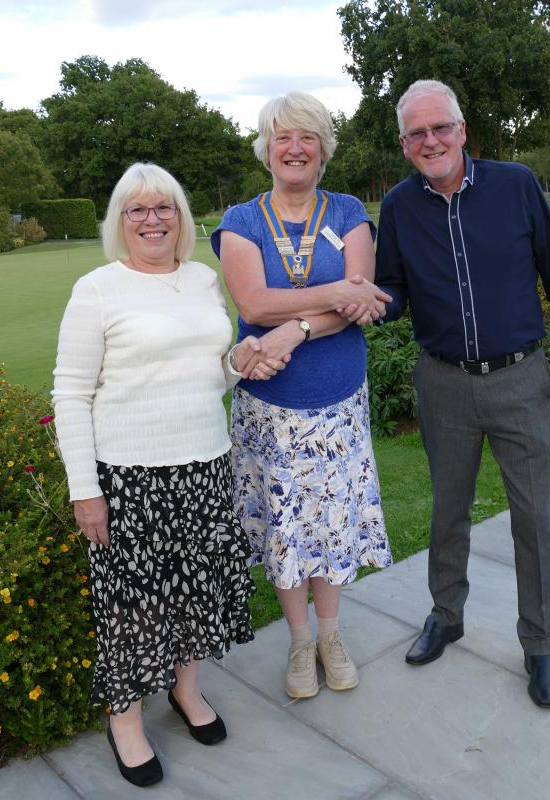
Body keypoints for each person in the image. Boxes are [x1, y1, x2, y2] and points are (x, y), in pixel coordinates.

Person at [52, 162, 287, 787]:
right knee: (132, 604)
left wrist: (240, 360)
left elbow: (211, 369)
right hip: (128, 475)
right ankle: (125, 718)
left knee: (195, 589)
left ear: (180, 217)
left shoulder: (203, 281)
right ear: (120, 221)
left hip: (206, 464)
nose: (153, 220)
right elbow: (71, 393)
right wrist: (85, 490)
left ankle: (186, 692)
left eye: (165, 209)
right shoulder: (97, 288)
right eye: (138, 210)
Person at [374, 80, 550, 709]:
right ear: (404, 144)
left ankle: (540, 642)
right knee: (448, 509)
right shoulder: (399, 206)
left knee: (532, 515)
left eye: (440, 127)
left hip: (520, 379)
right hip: (442, 382)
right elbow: (392, 292)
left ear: (462, 130)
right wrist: (357, 297)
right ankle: (446, 615)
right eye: (417, 133)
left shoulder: (515, 184)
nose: (431, 140)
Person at [211, 92, 393, 700]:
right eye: (282, 137)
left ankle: (331, 635)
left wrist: (299, 327)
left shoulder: (347, 211)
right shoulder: (241, 220)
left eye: (307, 137)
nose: (294, 148)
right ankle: (298, 641)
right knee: (288, 526)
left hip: (337, 401)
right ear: (266, 148)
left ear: (323, 149)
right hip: (269, 408)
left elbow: (360, 303)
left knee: (331, 522)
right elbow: (253, 303)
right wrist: (337, 290)